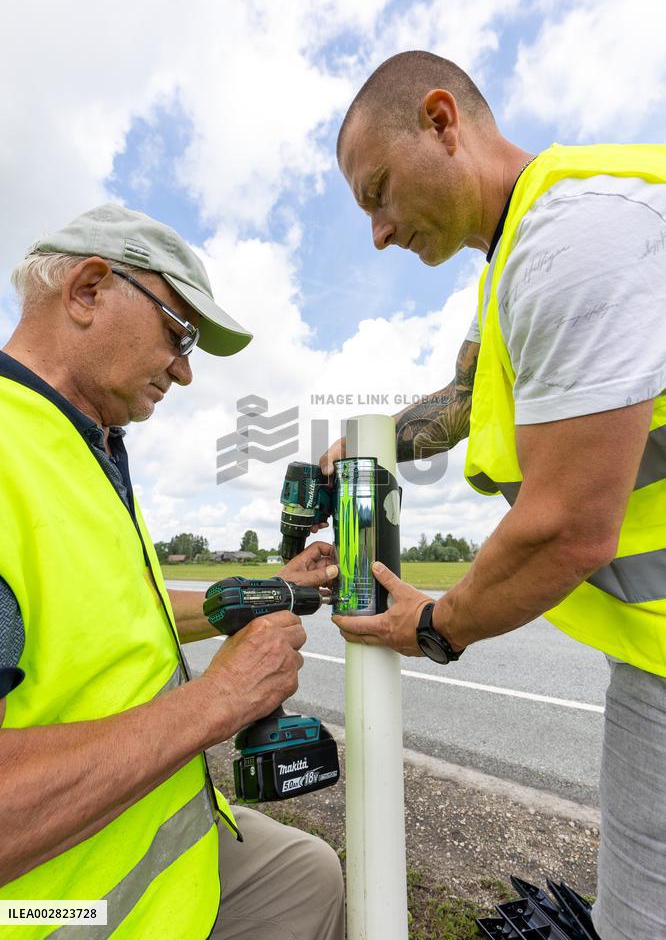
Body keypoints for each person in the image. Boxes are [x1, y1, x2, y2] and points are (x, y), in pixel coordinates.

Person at [323, 50, 666, 940]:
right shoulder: (520, 262)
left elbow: (566, 530)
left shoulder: (572, 242)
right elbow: (457, 405)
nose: (378, 233)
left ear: (442, 121)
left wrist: (432, 626)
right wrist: (363, 448)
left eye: (378, 193)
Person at [0, 204, 345, 939]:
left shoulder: (80, 442)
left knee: (308, 874)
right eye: (178, 333)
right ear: (89, 290)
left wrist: (283, 586)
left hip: (162, 837)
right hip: (51, 906)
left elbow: (119, 612)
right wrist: (217, 701)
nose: (187, 371)